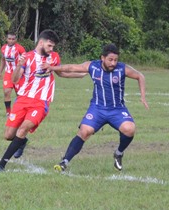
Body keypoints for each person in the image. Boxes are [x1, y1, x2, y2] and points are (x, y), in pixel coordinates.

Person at [43, 43, 149, 172]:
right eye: (110, 60)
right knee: (84, 131)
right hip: (97, 109)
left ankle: (119, 153)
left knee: (130, 129)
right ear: (102, 58)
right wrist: (52, 67)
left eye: (116, 60)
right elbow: (72, 67)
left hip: (117, 109)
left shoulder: (122, 69)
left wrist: (143, 96)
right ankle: (64, 161)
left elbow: (140, 76)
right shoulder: (92, 66)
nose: (113, 63)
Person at [0, 29, 86, 171]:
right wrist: (19, 65)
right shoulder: (27, 57)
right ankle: (22, 141)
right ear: (41, 42)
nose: (51, 49)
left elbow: (61, 73)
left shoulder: (54, 57)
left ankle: (1, 165)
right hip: (23, 99)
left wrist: (81, 74)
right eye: (49, 46)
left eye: (53, 47)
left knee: (23, 128)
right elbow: (15, 79)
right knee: (8, 135)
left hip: (41, 102)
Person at [0, 33, 26, 116]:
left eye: (13, 39)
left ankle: (21, 112)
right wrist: (0, 72)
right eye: (9, 39)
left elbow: (26, 60)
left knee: (20, 95)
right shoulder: (3, 48)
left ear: (15, 40)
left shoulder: (20, 48)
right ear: (6, 39)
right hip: (8, 73)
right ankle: (8, 112)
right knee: (6, 92)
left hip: (18, 74)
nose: (11, 40)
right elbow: (3, 60)